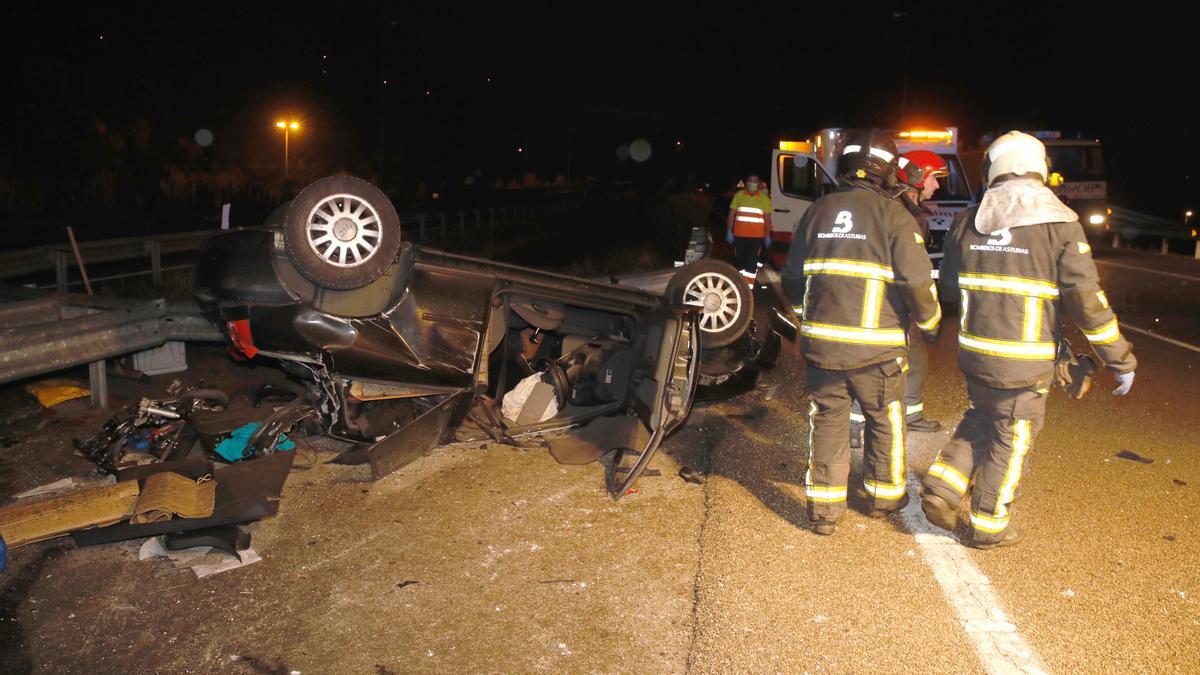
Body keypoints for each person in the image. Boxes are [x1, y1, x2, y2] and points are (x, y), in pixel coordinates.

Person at [919, 130, 1137, 549]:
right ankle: (988, 524)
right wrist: (1119, 358)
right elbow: (1087, 302)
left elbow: (947, 289)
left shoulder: (967, 221)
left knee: (983, 416)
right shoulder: (1060, 225)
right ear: (1040, 169)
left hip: (976, 353)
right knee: (1013, 434)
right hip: (1024, 360)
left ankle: (943, 487)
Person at [781, 130, 942, 535]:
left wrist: (807, 316)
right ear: (887, 168)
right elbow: (916, 281)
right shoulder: (894, 215)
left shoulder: (818, 211)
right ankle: (882, 498)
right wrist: (931, 322)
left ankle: (824, 510)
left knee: (829, 420)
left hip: (822, 349)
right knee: (884, 419)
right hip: (876, 352)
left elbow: (792, 277)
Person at [849, 149, 950, 447]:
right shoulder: (896, 210)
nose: (937, 186)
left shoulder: (910, 209)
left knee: (914, 356)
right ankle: (854, 422)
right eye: (933, 178)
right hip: (882, 299)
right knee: (877, 361)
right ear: (917, 177)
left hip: (899, 296)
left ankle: (910, 412)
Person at [726, 174, 772, 286]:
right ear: (746, 183)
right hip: (739, 235)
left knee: (752, 260)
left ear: (758, 183)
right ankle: (742, 280)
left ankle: (747, 287)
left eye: (755, 181)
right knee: (740, 260)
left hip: (757, 237)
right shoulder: (739, 196)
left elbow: (767, 218)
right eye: (750, 180)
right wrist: (729, 231)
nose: (752, 183)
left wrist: (767, 235)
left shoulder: (764, 198)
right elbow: (732, 213)